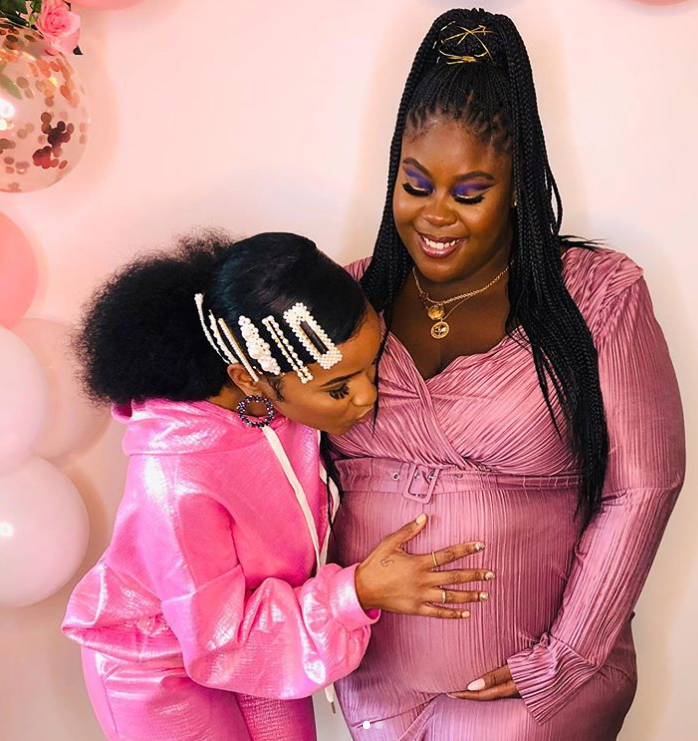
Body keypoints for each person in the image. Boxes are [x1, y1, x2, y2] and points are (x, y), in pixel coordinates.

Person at [328, 8, 685, 740]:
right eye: (416, 184)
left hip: (532, 700)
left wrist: (564, 660)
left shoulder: (598, 295)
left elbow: (644, 486)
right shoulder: (346, 298)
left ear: (518, 185)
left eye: (469, 193)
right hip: (374, 689)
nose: (436, 215)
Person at [61, 232, 493, 741]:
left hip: (265, 632)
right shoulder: (175, 476)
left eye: (370, 368)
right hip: (160, 665)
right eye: (339, 388)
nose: (367, 397)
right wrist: (357, 592)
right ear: (247, 377)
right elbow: (216, 642)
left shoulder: (275, 401)